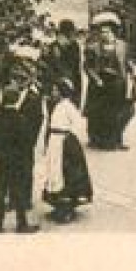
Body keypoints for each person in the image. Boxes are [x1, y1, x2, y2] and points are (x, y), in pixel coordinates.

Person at [0, 80, 43, 233]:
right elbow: (27, 144)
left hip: (1, 163)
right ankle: (21, 223)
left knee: (0, 192)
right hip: (18, 163)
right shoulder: (22, 121)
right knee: (18, 192)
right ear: (17, 99)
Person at [83, 13, 136, 150]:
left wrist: (132, 72)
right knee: (98, 112)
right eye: (101, 32)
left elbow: (127, 62)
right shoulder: (93, 47)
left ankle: (116, 140)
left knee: (118, 112)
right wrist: (96, 79)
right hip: (100, 83)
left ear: (112, 32)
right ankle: (96, 139)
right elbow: (88, 66)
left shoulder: (122, 46)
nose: (104, 34)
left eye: (106, 31)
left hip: (117, 83)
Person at [40, 95, 93, 223]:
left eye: (56, 90)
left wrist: (69, 137)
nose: (53, 93)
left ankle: (66, 208)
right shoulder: (54, 105)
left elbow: (78, 122)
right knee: (53, 172)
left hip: (63, 142)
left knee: (65, 173)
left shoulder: (68, 105)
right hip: (54, 142)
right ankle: (57, 205)